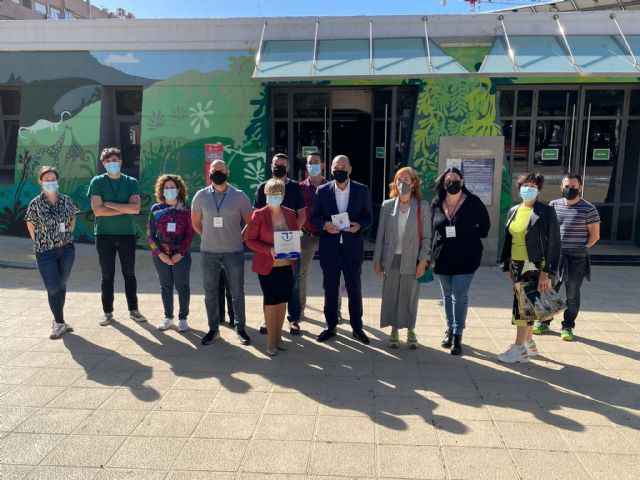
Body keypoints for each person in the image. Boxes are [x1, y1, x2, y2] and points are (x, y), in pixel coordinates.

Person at [498, 172, 561, 364]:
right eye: (526, 185)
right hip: (517, 264)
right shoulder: (514, 210)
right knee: (530, 304)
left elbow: (554, 243)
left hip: (534, 265)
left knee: (522, 307)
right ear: (519, 188)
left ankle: (519, 349)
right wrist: (509, 264)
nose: (529, 189)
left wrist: (546, 272)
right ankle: (529, 343)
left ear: (539, 190)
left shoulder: (546, 212)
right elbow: (510, 239)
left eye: (533, 186)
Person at [311, 155, 373, 344]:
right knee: (330, 289)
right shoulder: (322, 190)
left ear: (350, 169)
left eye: (344, 167)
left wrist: (359, 226)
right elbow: (314, 217)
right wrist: (325, 225)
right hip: (330, 248)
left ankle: (357, 327)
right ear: (331, 169)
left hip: (352, 248)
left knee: (354, 289)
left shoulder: (362, 190)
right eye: (336, 167)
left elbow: (368, 217)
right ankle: (330, 326)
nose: (340, 170)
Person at [192, 159, 253, 346]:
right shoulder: (200, 196)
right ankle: (213, 329)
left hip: (233, 252)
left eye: (221, 169)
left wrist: (240, 238)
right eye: (214, 170)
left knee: (237, 292)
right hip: (209, 252)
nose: (217, 172)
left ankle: (240, 328)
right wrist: (207, 237)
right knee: (210, 293)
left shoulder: (240, 196)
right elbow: (195, 223)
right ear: (209, 172)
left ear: (228, 172)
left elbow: (251, 222)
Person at [431, 167, 490, 355]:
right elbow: (432, 227)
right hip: (443, 256)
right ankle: (449, 329)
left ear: (462, 181)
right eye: (448, 180)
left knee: (460, 295)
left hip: (466, 256)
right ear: (444, 184)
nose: (452, 182)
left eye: (455, 179)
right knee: (447, 296)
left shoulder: (473, 202)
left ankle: (458, 334)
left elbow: (485, 228)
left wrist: (468, 235)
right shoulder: (437, 203)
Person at [535, 173, 600, 341]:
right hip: (555, 257)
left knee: (572, 294)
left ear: (580, 188)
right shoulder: (553, 205)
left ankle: (568, 326)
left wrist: (581, 248)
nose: (569, 189)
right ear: (561, 187)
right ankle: (544, 322)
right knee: (549, 290)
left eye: (573, 187)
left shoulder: (589, 209)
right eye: (566, 186)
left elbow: (595, 236)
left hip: (576, 258)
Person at [373, 167, 431, 349]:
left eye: (406, 179)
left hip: (412, 259)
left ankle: (410, 329)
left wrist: (423, 261)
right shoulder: (387, 205)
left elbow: (427, 237)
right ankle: (394, 328)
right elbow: (380, 235)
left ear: (413, 183)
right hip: (391, 258)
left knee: (409, 295)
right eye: (399, 179)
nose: (402, 182)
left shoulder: (422, 206)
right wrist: (377, 260)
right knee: (391, 294)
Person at [89, 147, 146, 326]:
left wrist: (109, 204)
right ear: (103, 163)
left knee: (129, 273)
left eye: (114, 160)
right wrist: (124, 208)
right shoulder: (97, 182)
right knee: (107, 275)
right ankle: (107, 312)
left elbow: (135, 209)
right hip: (104, 234)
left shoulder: (131, 182)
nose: (111, 164)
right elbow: (98, 211)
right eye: (107, 161)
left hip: (127, 233)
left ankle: (133, 310)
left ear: (120, 162)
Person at [254, 153, 306, 334]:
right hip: (268, 246)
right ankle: (267, 319)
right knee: (269, 283)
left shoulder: (295, 187)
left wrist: (290, 237)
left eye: (283, 165)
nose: (279, 168)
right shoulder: (263, 187)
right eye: (276, 165)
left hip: (289, 244)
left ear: (289, 168)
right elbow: (256, 216)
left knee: (293, 282)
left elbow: (302, 215)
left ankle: (293, 319)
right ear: (271, 166)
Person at [246, 179, 299, 356]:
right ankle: (270, 340)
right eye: (270, 194)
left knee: (282, 300)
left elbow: (293, 235)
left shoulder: (290, 213)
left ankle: (278, 337)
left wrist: (295, 250)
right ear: (266, 195)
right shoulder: (259, 214)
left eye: (277, 193)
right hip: (267, 265)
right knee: (271, 301)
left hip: (286, 264)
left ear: (283, 195)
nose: (274, 196)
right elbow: (250, 241)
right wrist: (268, 249)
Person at [25, 166, 79, 339]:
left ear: (57, 181)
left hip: (66, 249)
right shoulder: (35, 203)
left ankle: (59, 321)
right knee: (53, 287)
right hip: (45, 252)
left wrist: (66, 235)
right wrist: (40, 242)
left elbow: (72, 218)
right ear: (41, 182)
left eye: (53, 179)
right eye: (46, 179)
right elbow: (31, 225)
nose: (50, 182)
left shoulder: (66, 200)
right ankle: (59, 323)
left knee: (62, 284)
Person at [146, 174, 194, 332]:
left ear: (179, 189)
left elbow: (190, 234)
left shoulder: (186, 209)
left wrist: (180, 253)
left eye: (172, 187)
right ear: (161, 190)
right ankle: (168, 317)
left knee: (182, 286)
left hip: (181, 255)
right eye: (166, 188)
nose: (169, 190)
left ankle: (183, 318)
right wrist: (161, 254)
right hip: (160, 256)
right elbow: (150, 234)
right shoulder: (156, 209)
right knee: (165, 287)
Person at [298, 151, 328, 320]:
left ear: (322, 165)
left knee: (331, 273)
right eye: (310, 162)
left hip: (326, 236)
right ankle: (300, 308)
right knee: (301, 274)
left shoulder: (331, 186)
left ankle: (334, 309)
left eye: (316, 162)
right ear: (307, 166)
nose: (313, 165)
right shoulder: (300, 188)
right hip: (306, 236)